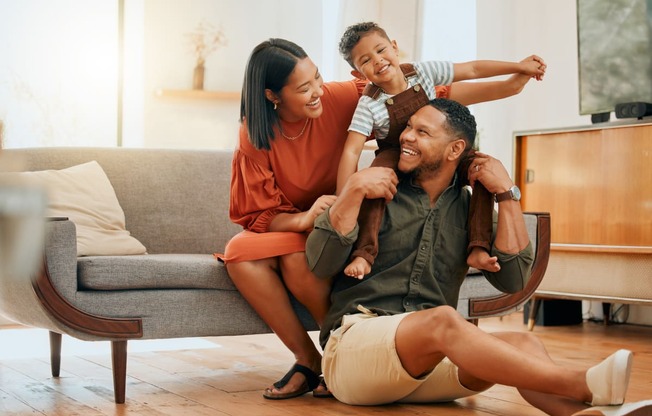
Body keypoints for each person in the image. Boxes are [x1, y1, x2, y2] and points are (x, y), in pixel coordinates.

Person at [218, 37, 545, 401]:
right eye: (303, 88)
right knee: (243, 253)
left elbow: (423, 94)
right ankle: (314, 357)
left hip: (348, 215)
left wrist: (513, 82)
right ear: (273, 96)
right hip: (321, 216)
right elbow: (259, 212)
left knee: (299, 259)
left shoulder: (343, 97)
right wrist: (328, 206)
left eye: (318, 79)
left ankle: (589, 398)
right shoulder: (256, 135)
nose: (317, 92)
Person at [305, 98, 652, 416]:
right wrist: (351, 189)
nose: (407, 137)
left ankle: (587, 413)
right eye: (408, 127)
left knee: (524, 342)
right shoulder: (374, 191)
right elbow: (320, 264)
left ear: (456, 149)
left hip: (427, 364)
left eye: (421, 132)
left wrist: (507, 193)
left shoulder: (473, 214)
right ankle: (583, 383)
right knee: (443, 319)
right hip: (355, 352)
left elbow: (514, 281)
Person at [335, 22, 546, 279]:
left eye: (381, 50)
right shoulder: (369, 104)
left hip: (439, 142)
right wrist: (343, 197)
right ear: (358, 74)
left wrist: (518, 66)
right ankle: (364, 253)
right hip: (395, 150)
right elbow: (351, 152)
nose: (378, 61)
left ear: (394, 47)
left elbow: (472, 69)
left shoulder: (422, 72)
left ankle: (478, 247)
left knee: (482, 169)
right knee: (374, 183)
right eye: (366, 60)